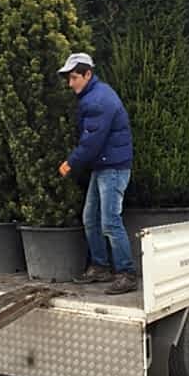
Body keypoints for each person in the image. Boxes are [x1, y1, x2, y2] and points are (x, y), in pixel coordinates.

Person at [58, 53, 137, 295]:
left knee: (110, 221)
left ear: (88, 74)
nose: (70, 84)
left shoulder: (98, 100)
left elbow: (91, 141)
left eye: (74, 78)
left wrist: (70, 163)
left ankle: (127, 274)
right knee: (90, 218)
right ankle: (100, 267)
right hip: (104, 165)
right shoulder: (94, 95)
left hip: (113, 168)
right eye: (69, 78)